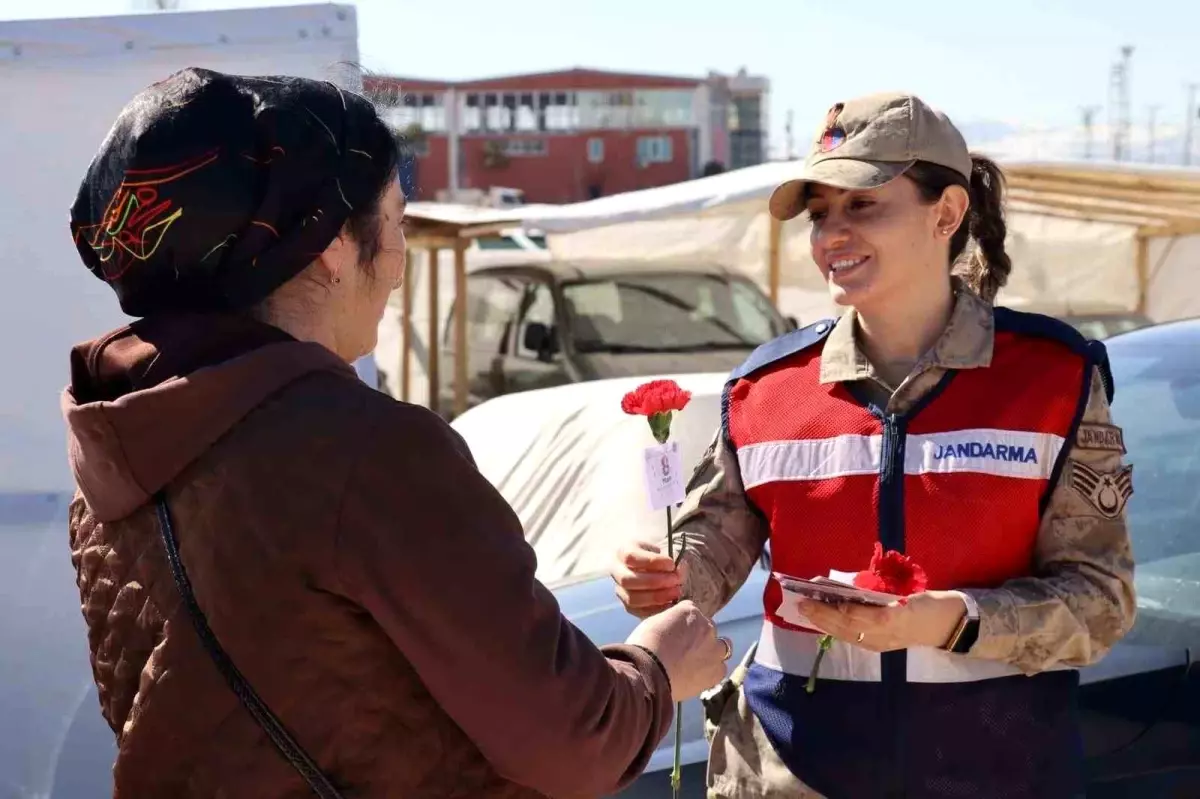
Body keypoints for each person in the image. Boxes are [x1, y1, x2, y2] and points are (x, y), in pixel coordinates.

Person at [62, 67, 730, 799]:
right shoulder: (364, 450)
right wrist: (656, 667)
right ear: (331, 248)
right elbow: (573, 738)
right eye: (397, 221)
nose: (401, 261)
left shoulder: (117, 438)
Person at [611, 92, 1137, 799]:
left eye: (862, 206)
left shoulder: (1055, 378)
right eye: (820, 213)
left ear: (946, 214)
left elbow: (1100, 603)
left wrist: (951, 620)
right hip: (788, 774)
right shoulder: (763, 390)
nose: (832, 234)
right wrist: (669, 579)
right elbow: (711, 553)